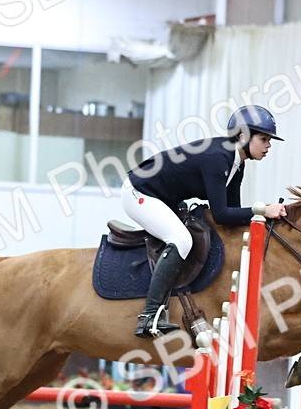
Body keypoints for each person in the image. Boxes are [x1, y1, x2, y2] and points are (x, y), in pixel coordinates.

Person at [122, 105, 288, 338]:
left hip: (163, 197)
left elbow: (231, 219)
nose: (268, 145)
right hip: (139, 193)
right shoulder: (218, 158)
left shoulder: (237, 165)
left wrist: (265, 218)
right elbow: (221, 214)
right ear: (242, 135)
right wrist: (262, 210)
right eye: (264, 139)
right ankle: (150, 316)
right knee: (181, 239)